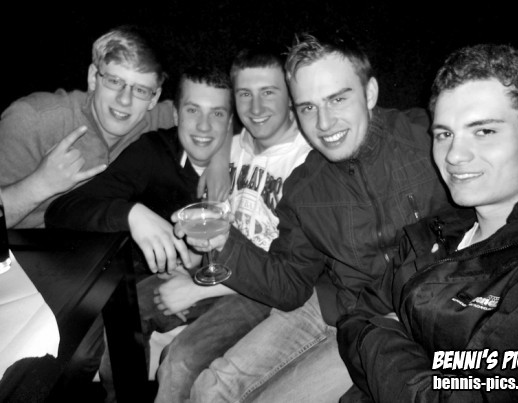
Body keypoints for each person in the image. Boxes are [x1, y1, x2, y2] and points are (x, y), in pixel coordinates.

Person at [177, 33, 452, 402]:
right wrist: (225, 241)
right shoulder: (304, 188)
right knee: (211, 389)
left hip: (386, 325)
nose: (324, 123)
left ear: (370, 93)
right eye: (308, 107)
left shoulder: (429, 141)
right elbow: (289, 286)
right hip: (329, 306)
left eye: (337, 99)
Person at [337, 43, 518, 402]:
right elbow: (356, 314)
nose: (454, 155)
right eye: (444, 134)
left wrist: (380, 336)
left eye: (484, 131)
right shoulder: (435, 232)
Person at [45, 66, 234, 401]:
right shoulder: (153, 153)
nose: (204, 126)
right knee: (99, 347)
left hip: (233, 286)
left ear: (231, 120)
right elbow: (62, 212)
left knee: (176, 358)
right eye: (193, 110)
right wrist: (131, 214)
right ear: (175, 114)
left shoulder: (250, 157)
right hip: (146, 282)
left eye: (217, 113)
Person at [152, 45, 312, 402]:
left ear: (290, 97)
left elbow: (286, 274)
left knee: (179, 362)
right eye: (244, 94)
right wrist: (193, 260)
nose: (256, 108)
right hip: (215, 270)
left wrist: (196, 289)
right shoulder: (232, 147)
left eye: (268, 92)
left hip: (258, 292)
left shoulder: (308, 161)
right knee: (123, 310)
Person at [0, 25, 229, 230]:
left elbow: (220, 118)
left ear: (153, 97)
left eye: (140, 90)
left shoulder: (151, 117)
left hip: (95, 253)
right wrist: (40, 184)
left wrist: (219, 159)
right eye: (114, 81)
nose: (125, 100)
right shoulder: (32, 120)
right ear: (93, 77)